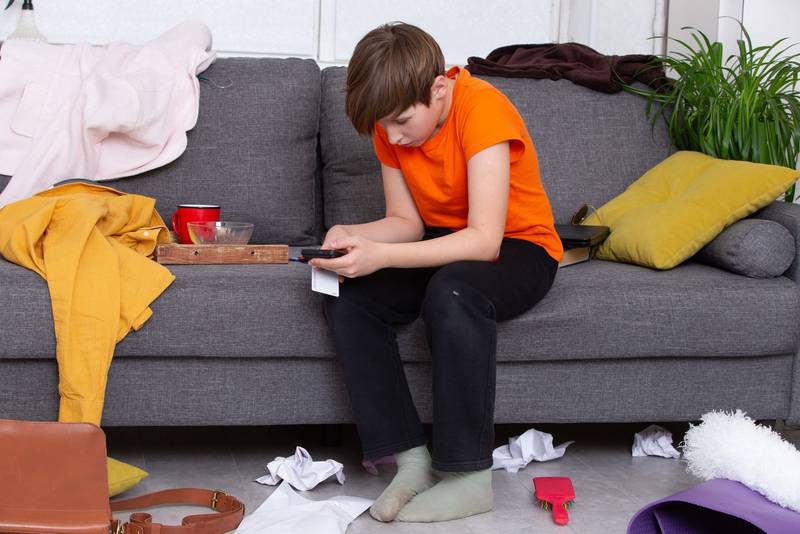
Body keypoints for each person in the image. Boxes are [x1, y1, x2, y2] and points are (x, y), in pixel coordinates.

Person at [309, 22, 563, 523]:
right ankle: (412, 460)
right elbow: (406, 224)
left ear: (439, 89)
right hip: (445, 242)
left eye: (402, 121)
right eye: (384, 127)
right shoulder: (391, 128)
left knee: (453, 292)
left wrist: (382, 256)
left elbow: (484, 241)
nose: (393, 136)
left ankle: (469, 477)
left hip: (520, 247)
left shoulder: (482, 109)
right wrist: (353, 235)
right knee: (347, 293)